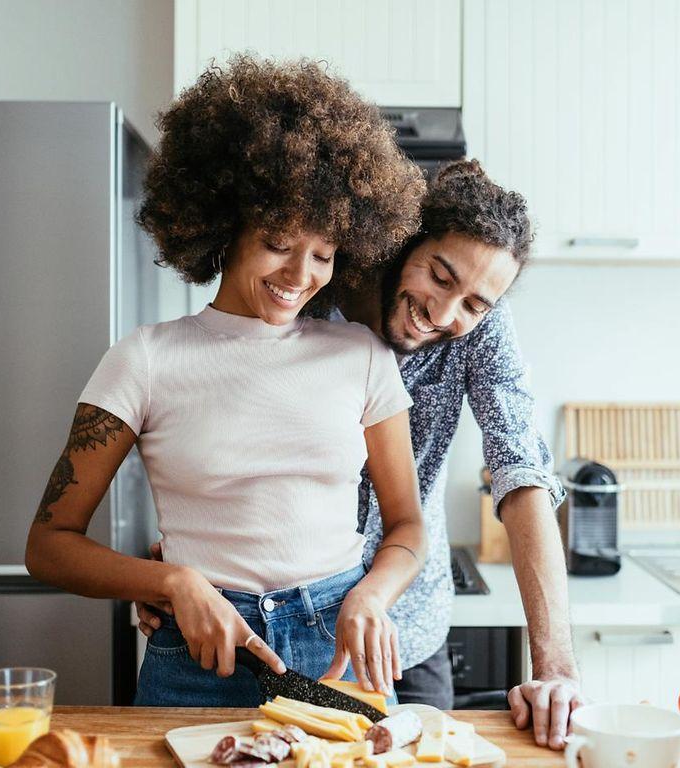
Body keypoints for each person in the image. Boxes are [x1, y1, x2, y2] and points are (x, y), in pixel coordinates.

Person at [25, 54, 429, 707]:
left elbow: (407, 524)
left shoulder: (361, 356)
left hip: (336, 651)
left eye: (323, 254)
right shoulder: (145, 360)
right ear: (226, 224)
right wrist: (171, 584)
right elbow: (48, 546)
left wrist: (372, 593)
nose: (301, 273)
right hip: (196, 657)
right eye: (278, 241)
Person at [139, 159, 583, 743]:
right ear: (404, 242)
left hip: (403, 636)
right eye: (439, 276)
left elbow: (521, 470)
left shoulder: (481, 327)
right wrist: (185, 563)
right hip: (265, 629)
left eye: (474, 304)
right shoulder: (305, 294)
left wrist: (555, 668)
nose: (445, 314)